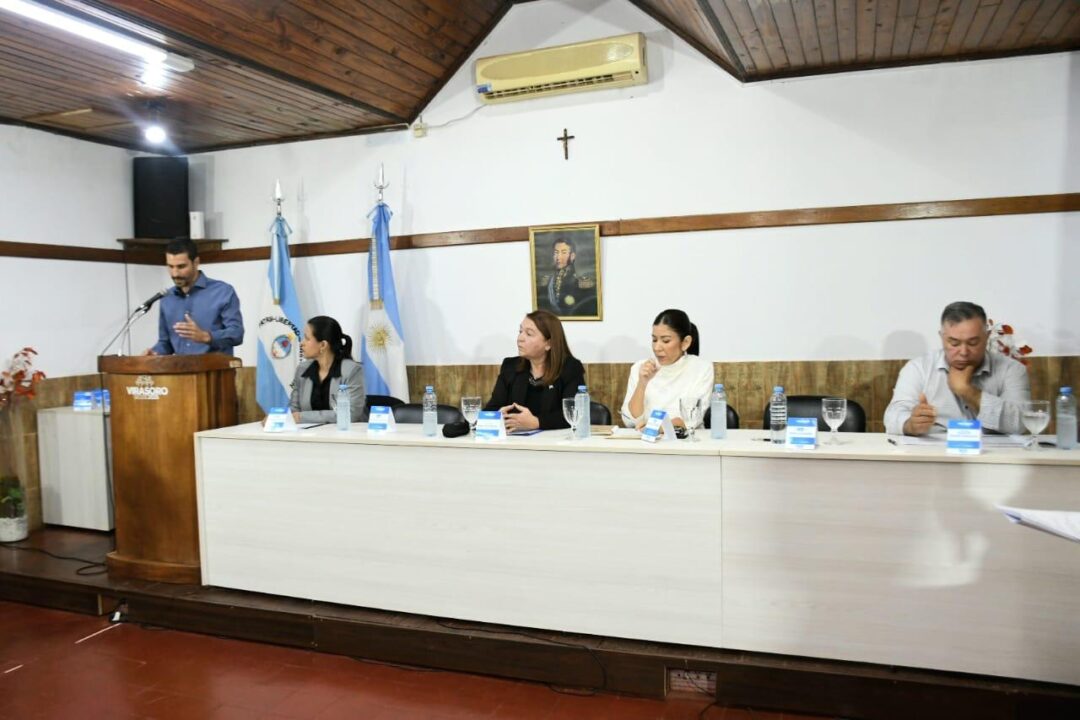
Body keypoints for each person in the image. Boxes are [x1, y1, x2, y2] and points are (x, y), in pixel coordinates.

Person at [884, 301, 1030, 436]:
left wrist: (966, 390)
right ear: (942, 337)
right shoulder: (918, 368)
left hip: (992, 458)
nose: (964, 352)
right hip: (935, 457)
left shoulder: (1011, 370)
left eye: (973, 343)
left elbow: (1020, 423)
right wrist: (910, 424)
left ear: (987, 336)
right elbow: (892, 417)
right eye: (954, 343)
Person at [484, 310, 586, 432]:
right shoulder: (510, 366)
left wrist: (536, 422)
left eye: (529, 334)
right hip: (514, 443)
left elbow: (574, 413)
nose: (520, 338)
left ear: (549, 343)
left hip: (555, 444)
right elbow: (491, 409)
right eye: (520, 331)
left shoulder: (570, 368)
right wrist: (497, 416)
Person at [145, 238, 244, 355]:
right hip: (180, 371)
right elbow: (166, 343)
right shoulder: (167, 298)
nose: (175, 273)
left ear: (196, 262)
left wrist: (206, 336)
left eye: (181, 267)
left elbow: (237, 333)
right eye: (170, 266)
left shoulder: (223, 292)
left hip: (215, 371)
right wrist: (155, 353)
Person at [621, 309, 714, 430]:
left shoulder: (701, 368)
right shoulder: (640, 368)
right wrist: (642, 383)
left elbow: (692, 418)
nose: (656, 347)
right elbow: (630, 420)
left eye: (665, 341)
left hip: (686, 441)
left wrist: (656, 428)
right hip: (645, 443)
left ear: (685, 342)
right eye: (654, 340)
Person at [288, 316, 365, 424]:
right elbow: (293, 411)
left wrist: (302, 417)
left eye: (307, 338)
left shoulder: (351, 370)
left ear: (323, 345)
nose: (302, 343)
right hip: (308, 436)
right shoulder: (302, 369)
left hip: (344, 436)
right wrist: (276, 418)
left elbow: (350, 414)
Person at [537, 236, 596, 316]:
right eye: (556, 253)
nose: (558, 257)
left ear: (572, 256)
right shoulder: (547, 281)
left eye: (563, 252)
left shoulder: (580, 282)